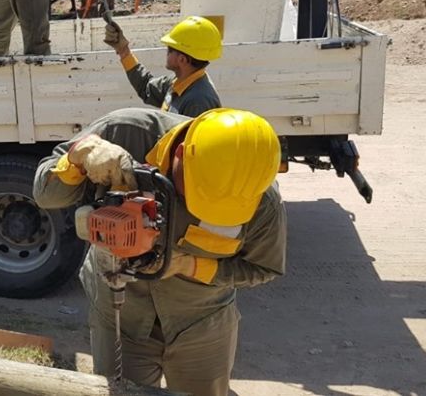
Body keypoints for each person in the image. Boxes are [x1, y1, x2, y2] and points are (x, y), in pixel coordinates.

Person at [33, 107, 286, 396]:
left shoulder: (260, 200)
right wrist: (78, 158)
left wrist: (190, 266)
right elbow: (44, 195)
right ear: (180, 156)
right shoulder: (125, 133)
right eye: (197, 195)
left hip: (201, 326)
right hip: (120, 320)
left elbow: (264, 267)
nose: (194, 208)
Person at [104, 15, 223, 117]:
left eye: (170, 50)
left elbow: (188, 143)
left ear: (182, 59)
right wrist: (123, 50)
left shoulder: (198, 101)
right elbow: (146, 88)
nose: (166, 53)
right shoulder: (179, 82)